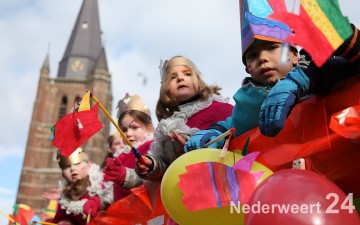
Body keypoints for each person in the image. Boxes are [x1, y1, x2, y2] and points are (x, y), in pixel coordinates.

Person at [184, 0, 360, 151]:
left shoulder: (325, 67)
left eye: (272, 47)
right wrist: (213, 134)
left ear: (295, 55)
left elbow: (346, 55)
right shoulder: (247, 104)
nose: (262, 58)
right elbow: (231, 126)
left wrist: (303, 78)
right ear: (248, 69)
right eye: (252, 55)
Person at [135, 55, 233, 181]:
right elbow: (166, 167)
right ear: (166, 89)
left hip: (222, 183)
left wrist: (196, 149)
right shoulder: (168, 126)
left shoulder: (221, 109)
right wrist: (152, 165)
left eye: (187, 74)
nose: (180, 78)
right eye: (173, 77)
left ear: (198, 80)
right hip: (186, 192)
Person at [103, 93, 154, 200]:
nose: (128, 134)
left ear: (149, 129)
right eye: (124, 130)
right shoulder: (120, 157)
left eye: (134, 127)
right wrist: (99, 201)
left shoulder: (153, 147)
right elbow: (111, 193)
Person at [49, 147, 114, 225]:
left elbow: (111, 199)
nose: (72, 168)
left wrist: (98, 202)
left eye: (77, 163)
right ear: (63, 175)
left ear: (90, 165)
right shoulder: (65, 195)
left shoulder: (101, 183)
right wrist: (65, 222)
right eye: (67, 166)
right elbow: (61, 217)